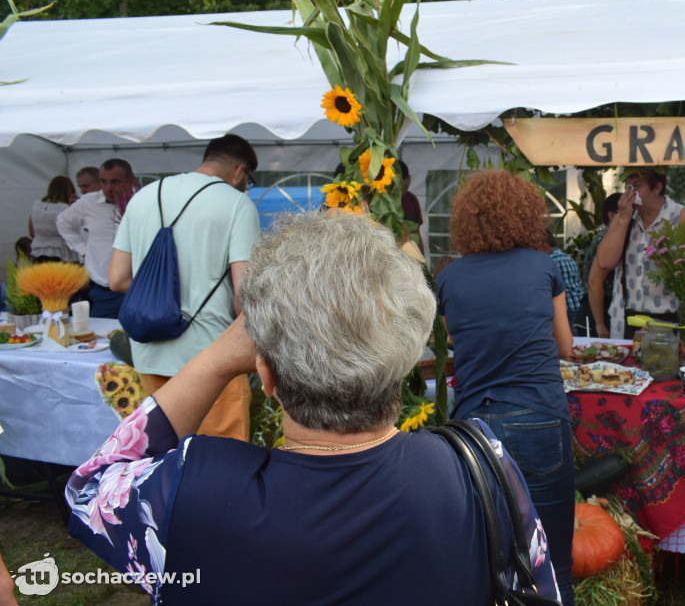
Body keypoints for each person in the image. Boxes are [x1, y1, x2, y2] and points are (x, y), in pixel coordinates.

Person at [66, 209, 559, 605]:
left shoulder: (192, 490)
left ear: (266, 375)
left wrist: (216, 359)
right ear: (408, 354)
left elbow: (89, 490)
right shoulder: (477, 465)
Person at [436, 170, 576, 606]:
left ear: (466, 221)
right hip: (540, 418)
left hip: (477, 427)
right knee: (554, 564)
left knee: (488, 562)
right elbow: (566, 346)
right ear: (525, 215)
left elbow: (456, 338)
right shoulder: (543, 266)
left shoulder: (449, 278)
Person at [108, 134, 261, 441]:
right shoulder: (237, 204)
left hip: (149, 352)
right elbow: (244, 295)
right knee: (219, 462)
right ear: (240, 172)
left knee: (164, 456)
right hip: (213, 358)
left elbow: (117, 279)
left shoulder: (144, 196)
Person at [595, 169, 685, 338]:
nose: (631, 192)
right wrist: (623, 217)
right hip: (624, 320)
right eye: (628, 186)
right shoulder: (625, 217)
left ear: (658, 187)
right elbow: (604, 262)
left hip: (666, 320)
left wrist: (670, 261)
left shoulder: (681, 216)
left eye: (637, 186)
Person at [56, 159, 137, 318]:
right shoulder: (89, 202)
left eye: (115, 182)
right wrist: (83, 250)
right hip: (103, 289)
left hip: (138, 289)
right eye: (103, 181)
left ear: (130, 180)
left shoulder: (143, 200)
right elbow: (63, 222)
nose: (108, 188)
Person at [575, 192, 621, 337]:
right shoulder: (606, 239)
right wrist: (600, 324)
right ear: (612, 215)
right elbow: (594, 282)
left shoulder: (604, 236)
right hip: (596, 312)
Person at [540, 229, 585, 326]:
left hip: (565, 310)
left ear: (543, 245)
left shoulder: (550, 262)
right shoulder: (569, 258)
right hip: (578, 306)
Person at [28, 176, 77, 262]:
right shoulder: (65, 209)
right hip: (61, 254)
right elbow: (73, 234)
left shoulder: (36, 205)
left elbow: (32, 233)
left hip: (38, 252)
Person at [398, 159, 424, 247]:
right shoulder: (385, 202)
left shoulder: (412, 199)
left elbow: (417, 233)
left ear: (409, 179)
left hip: (410, 251)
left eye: (405, 187)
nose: (403, 191)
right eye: (400, 188)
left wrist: (422, 258)